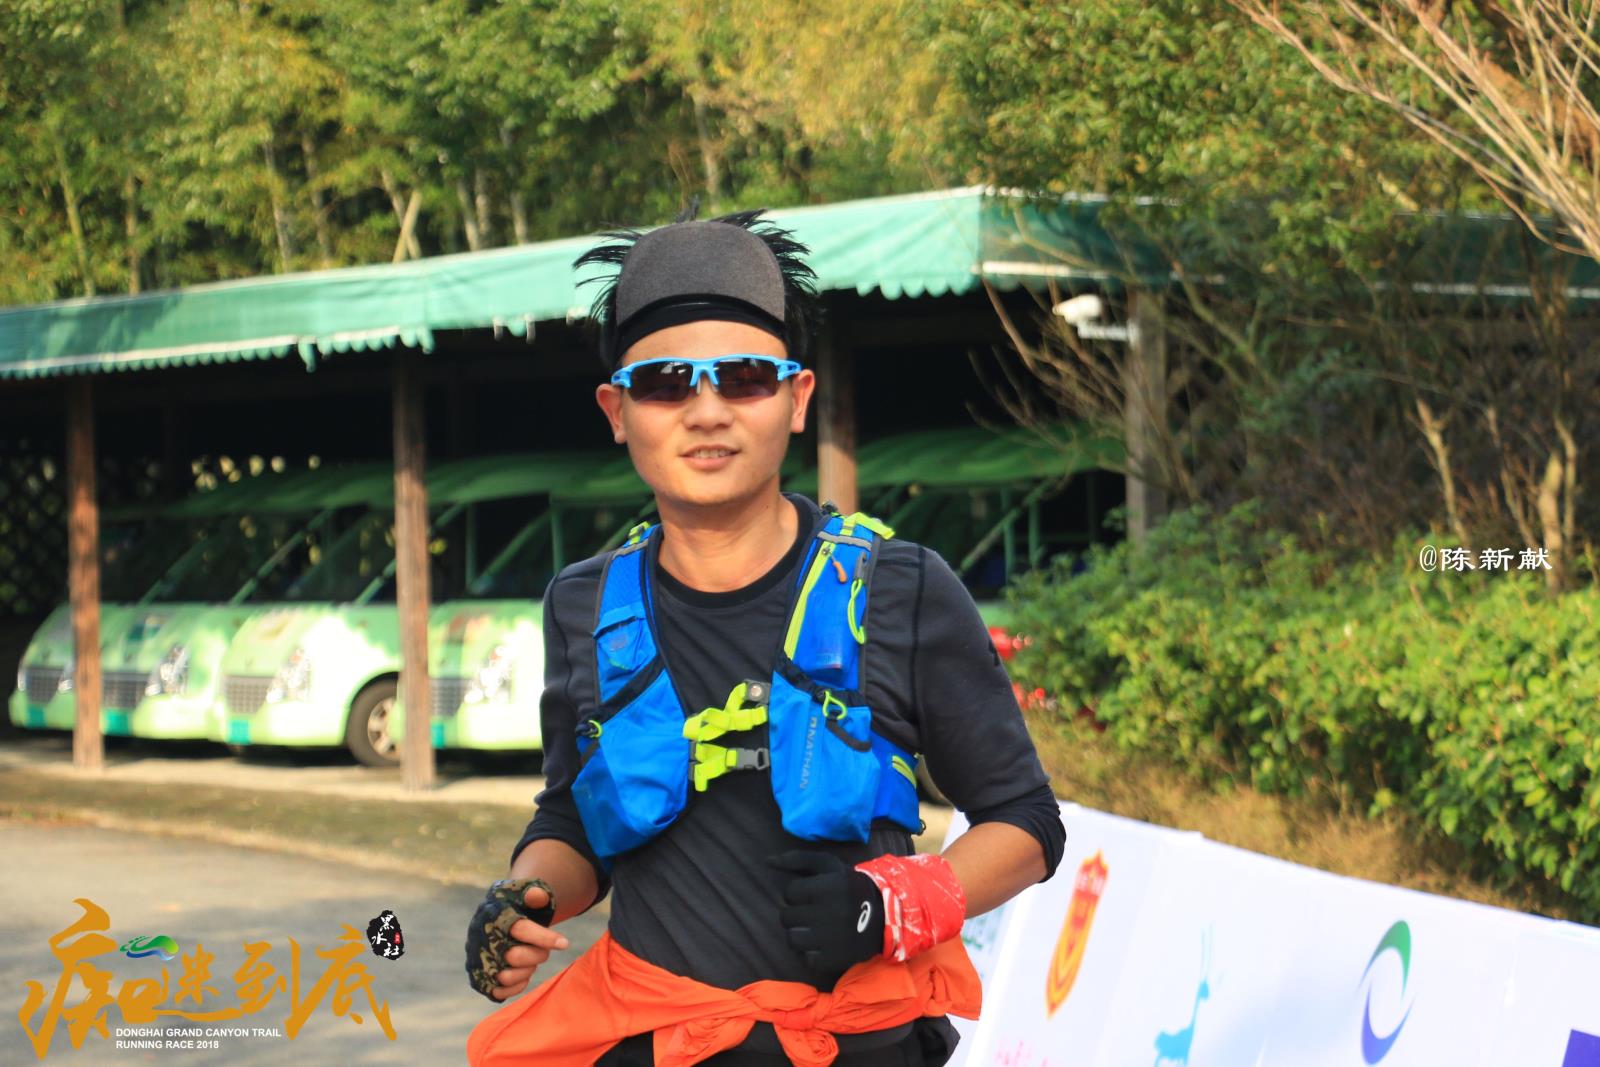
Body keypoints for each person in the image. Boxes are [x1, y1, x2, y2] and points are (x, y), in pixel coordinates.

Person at [464, 209, 1066, 1066]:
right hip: (652, 1041)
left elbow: (1026, 822)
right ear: (617, 410)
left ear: (797, 398)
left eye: (745, 377)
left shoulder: (901, 589)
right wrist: (526, 896)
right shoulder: (583, 604)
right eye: (666, 382)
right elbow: (575, 813)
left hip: (858, 1047)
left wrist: (892, 903)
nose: (706, 411)